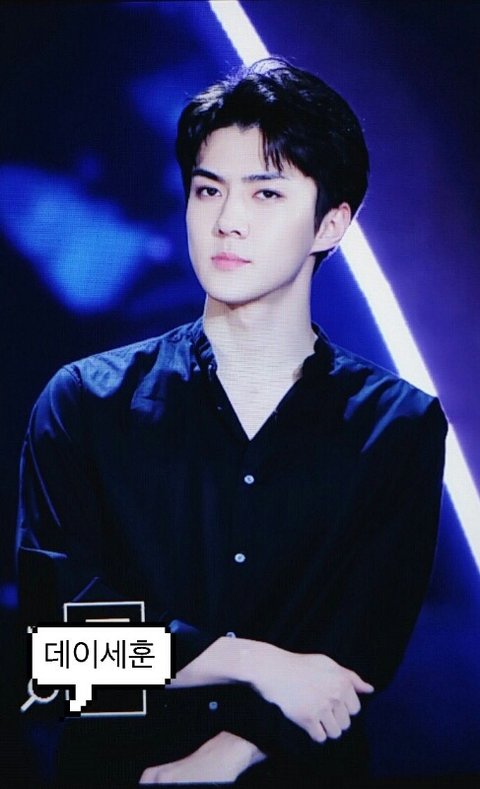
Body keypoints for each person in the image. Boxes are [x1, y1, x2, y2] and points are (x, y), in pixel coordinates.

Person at [17, 58, 447, 786]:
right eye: (207, 189)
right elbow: (56, 655)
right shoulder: (84, 404)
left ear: (332, 223)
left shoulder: (396, 426)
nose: (227, 220)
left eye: (266, 192)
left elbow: (359, 653)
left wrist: (231, 752)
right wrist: (251, 661)